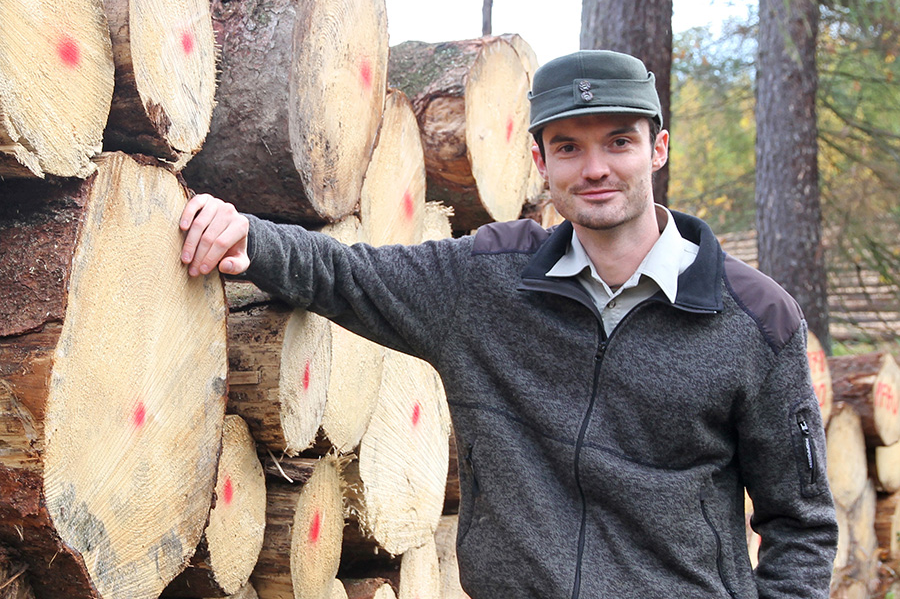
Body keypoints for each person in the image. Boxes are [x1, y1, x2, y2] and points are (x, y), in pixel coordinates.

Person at [181, 50, 837, 598]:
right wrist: (250, 237)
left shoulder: (755, 318)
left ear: (657, 147)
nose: (596, 167)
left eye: (619, 142)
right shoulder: (485, 280)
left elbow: (801, 525)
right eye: (569, 147)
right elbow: (348, 276)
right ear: (540, 161)